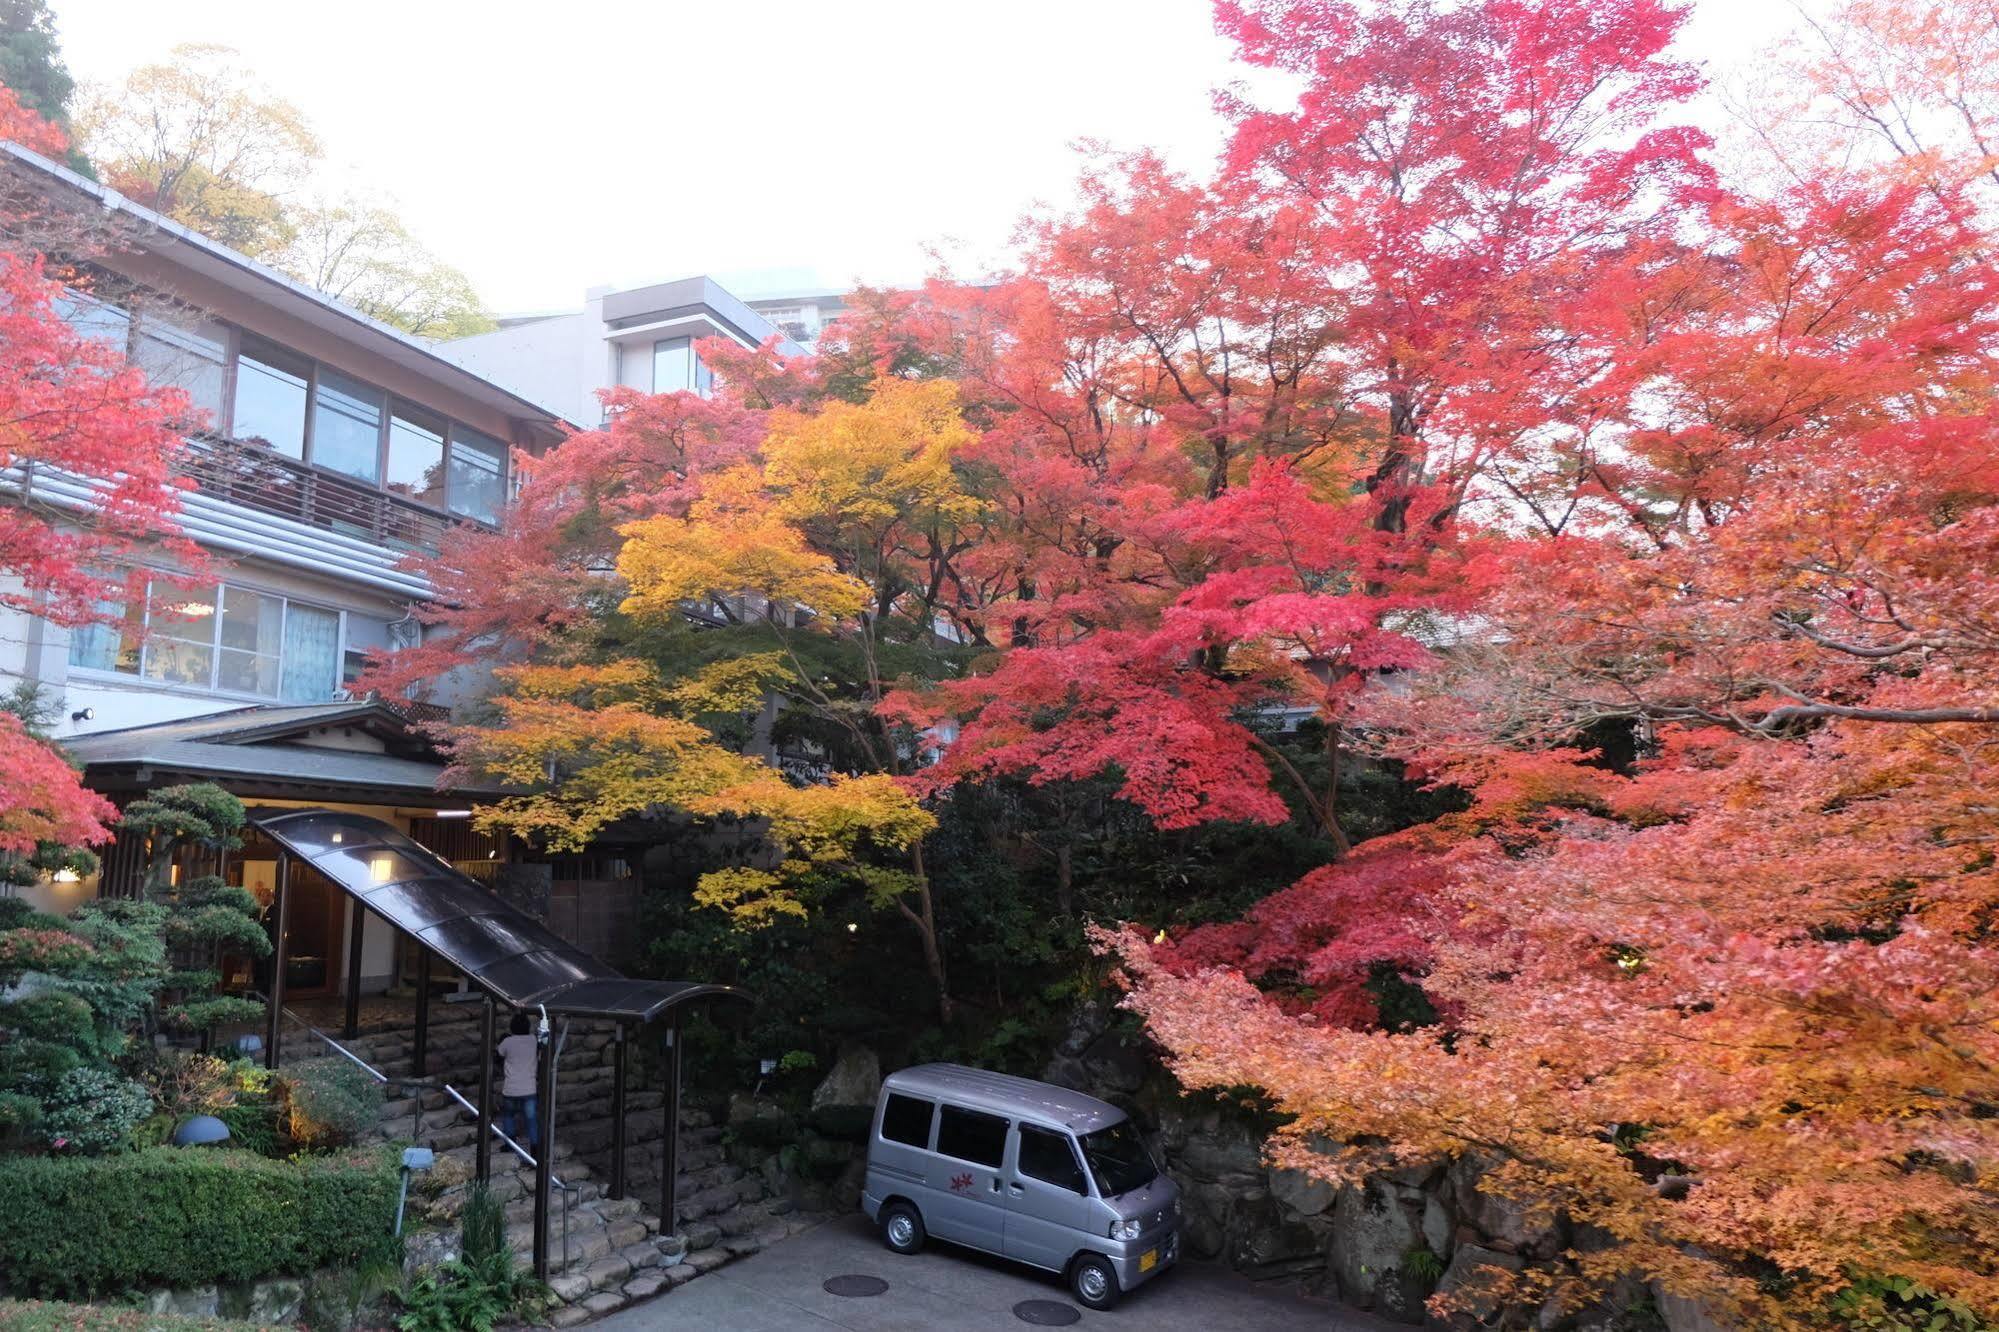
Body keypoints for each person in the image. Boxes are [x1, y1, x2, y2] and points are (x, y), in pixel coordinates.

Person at [496, 1011, 541, 1148]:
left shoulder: (507, 1042)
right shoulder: (534, 1040)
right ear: (528, 1026)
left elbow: (498, 1054)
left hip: (511, 1089)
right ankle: (535, 1148)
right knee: (531, 1119)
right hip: (529, 1088)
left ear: (512, 1027)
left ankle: (510, 1144)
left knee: (508, 1115)